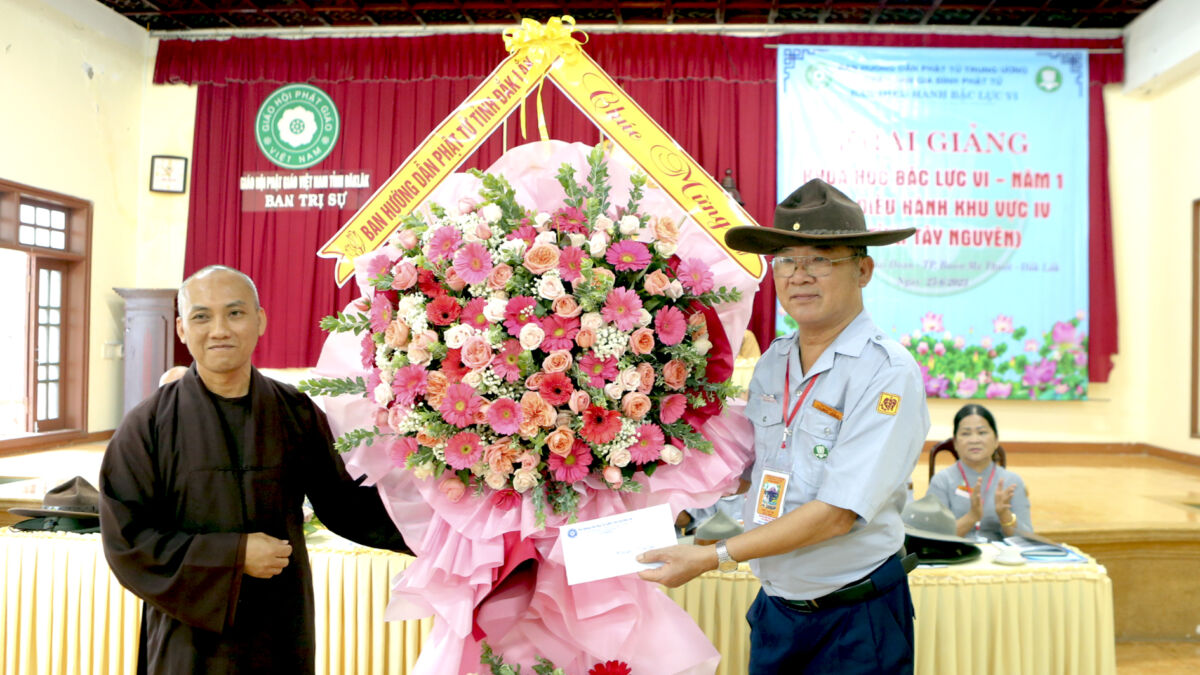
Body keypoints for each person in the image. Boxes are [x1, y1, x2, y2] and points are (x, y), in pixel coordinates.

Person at [638, 178, 929, 674]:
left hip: (856, 618)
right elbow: (750, 471)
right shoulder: (775, 361)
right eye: (787, 260)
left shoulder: (886, 372)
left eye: (821, 259)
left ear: (863, 269)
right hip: (777, 611)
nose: (799, 275)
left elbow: (837, 514)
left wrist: (712, 556)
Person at [99, 265, 409, 674]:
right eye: (202, 316)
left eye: (235, 313)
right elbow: (128, 541)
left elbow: (346, 505)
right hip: (188, 637)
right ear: (181, 329)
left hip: (278, 627)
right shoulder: (148, 425)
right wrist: (233, 556)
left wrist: (439, 533)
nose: (219, 330)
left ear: (260, 320)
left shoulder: (294, 411)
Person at [926, 403, 1032, 541]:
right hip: (956, 553)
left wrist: (1004, 515)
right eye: (966, 433)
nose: (974, 440)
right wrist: (972, 516)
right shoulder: (942, 481)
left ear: (996, 440)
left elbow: (1026, 539)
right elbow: (933, 538)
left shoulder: (1012, 482)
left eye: (982, 432)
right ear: (955, 443)